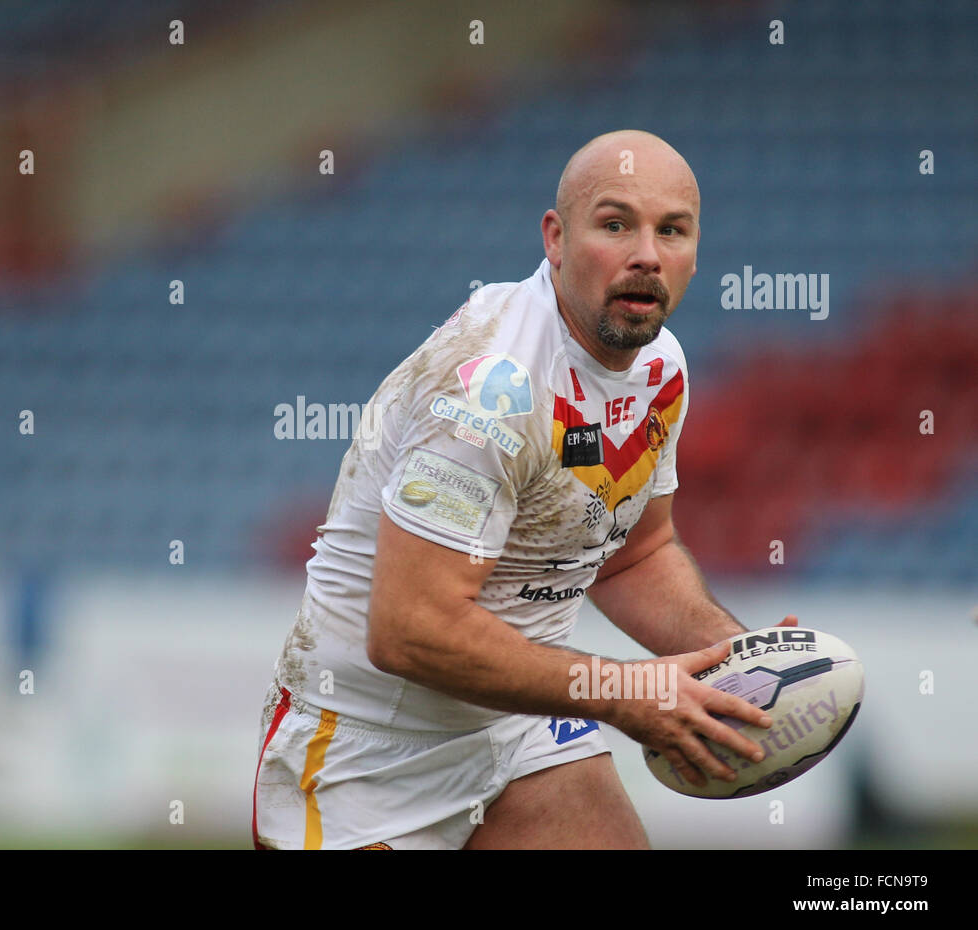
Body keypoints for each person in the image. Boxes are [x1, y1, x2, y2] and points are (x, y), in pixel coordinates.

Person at [252, 129, 794, 850]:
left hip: (519, 726)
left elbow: (633, 553)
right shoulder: (491, 387)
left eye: (672, 230)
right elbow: (411, 629)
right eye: (615, 224)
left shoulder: (660, 366)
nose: (646, 254)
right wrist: (629, 693)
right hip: (363, 750)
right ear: (556, 238)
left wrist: (737, 658)